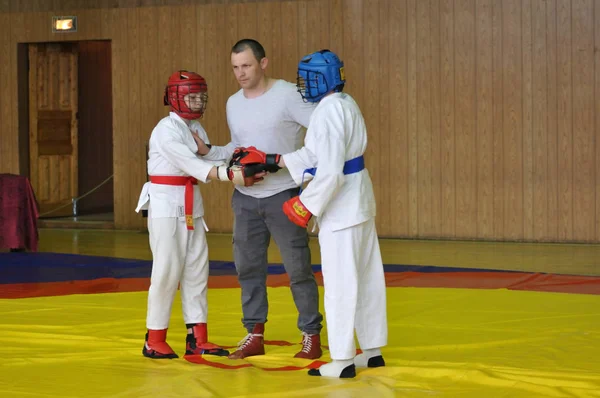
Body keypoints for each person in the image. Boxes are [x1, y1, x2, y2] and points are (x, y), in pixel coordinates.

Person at [233, 49, 388, 378]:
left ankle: (343, 359)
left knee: (341, 284)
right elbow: (316, 153)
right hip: (359, 202)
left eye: (309, 78)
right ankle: (372, 351)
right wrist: (276, 159)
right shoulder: (345, 103)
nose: (305, 85)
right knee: (367, 278)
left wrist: (306, 205)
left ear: (324, 79)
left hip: (342, 208)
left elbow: (329, 171)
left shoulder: (327, 111)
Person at [196, 39, 324, 360]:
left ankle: (311, 334)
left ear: (263, 64)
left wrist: (291, 164)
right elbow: (236, 149)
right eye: (236, 67)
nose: (240, 73)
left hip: (283, 196)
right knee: (248, 268)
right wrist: (210, 152)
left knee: (298, 269)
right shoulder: (232, 103)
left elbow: (324, 131)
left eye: (247, 66)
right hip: (245, 198)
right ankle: (254, 333)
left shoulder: (287, 95)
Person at [134, 70, 264, 359]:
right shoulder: (165, 130)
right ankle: (154, 338)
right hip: (167, 205)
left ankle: (198, 337)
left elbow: (207, 155)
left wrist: (240, 157)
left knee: (196, 270)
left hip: (191, 204)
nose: (197, 102)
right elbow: (192, 164)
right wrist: (231, 174)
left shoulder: (195, 128)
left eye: (200, 96)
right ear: (176, 97)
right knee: (167, 271)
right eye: (191, 96)